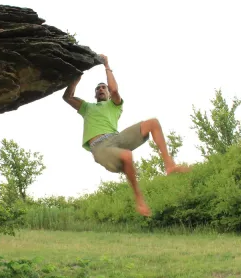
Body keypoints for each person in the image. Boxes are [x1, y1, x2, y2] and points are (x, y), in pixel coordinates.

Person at [62, 54, 188, 217]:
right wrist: (76, 78)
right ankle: (139, 199)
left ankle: (169, 165)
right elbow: (67, 97)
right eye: (98, 89)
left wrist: (106, 65)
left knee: (153, 123)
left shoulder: (115, 105)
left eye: (103, 87)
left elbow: (114, 89)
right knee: (127, 156)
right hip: (100, 147)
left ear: (108, 93)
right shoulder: (87, 107)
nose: (101, 89)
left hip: (116, 138)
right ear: (95, 95)